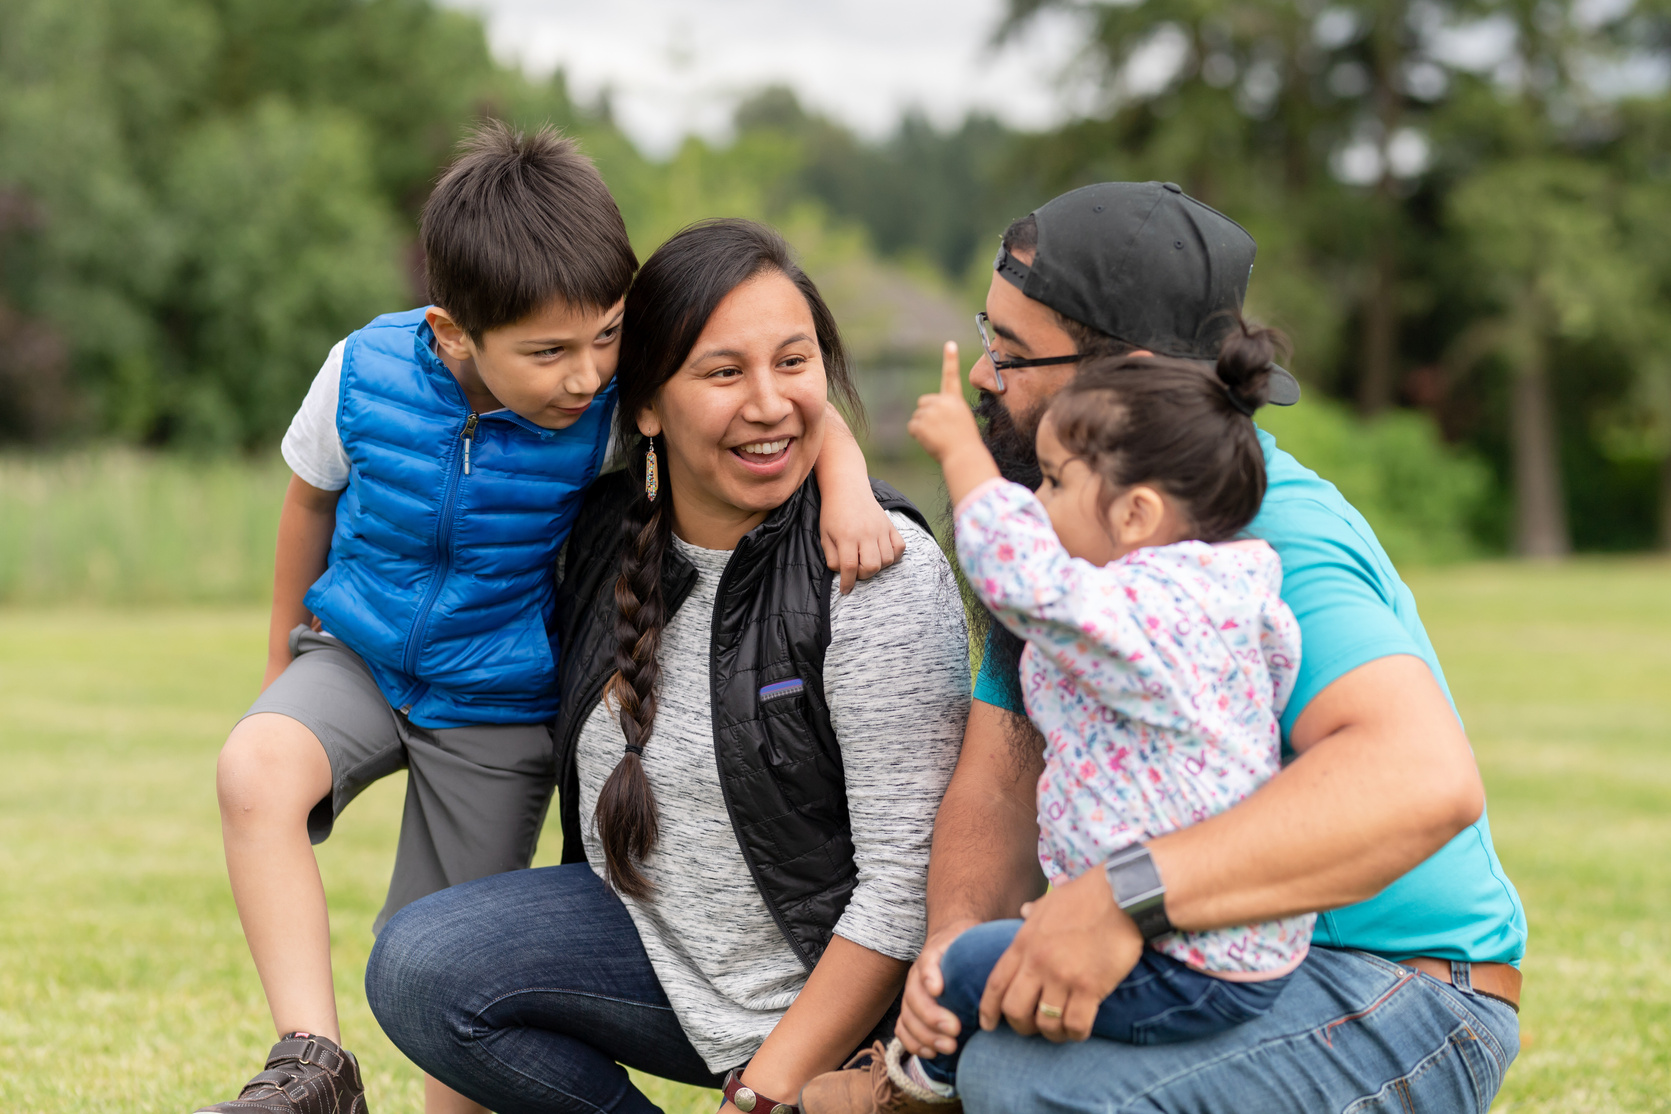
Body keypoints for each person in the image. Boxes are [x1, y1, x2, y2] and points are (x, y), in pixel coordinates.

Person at [200, 131, 904, 1114]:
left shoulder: (613, 396)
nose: (584, 376)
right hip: (358, 654)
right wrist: (282, 658)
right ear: (453, 332)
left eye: (608, 336)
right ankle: (312, 1062)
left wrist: (850, 492)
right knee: (254, 767)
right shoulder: (361, 374)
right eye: (549, 352)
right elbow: (308, 501)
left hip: (494, 699)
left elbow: (776, 399)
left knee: (440, 958)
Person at [821, 181, 1527, 1113]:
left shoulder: (1269, 527)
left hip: (1398, 990)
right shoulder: (1064, 523)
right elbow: (998, 779)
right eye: (987, 338)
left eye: (1014, 352)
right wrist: (952, 964)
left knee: (1023, 1084)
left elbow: (1420, 781)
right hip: (1203, 968)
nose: (986, 376)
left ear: (1128, 376)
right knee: (988, 1058)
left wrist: (1127, 899)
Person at [361, 218, 972, 1114]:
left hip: (828, 1002)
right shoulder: (599, 530)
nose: (767, 403)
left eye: (792, 363)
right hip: (655, 956)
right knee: (421, 966)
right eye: (723, 372)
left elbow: (903, 888)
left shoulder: (871, 570)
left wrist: (762, 1094)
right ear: (645, 403)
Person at [803, 324, 1312, 1114]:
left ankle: (914, 1091)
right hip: (1228, 944)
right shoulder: (1228, 588)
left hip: (1185, 961)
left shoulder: (1148, 609)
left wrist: (962, 455)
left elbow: (1026, 579)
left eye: (1051, 482)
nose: (1035, 502)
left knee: (960, 972)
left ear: (1137, 515)